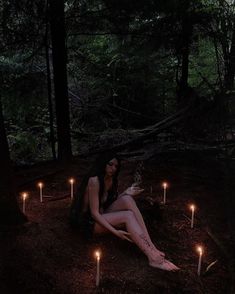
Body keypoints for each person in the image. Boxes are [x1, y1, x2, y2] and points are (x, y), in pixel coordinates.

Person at [70, 152, 179, 271]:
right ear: (103, 163)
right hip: (89, 222)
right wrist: (116, 232)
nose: (113, 169)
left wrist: (126, 192)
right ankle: (152, 258)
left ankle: (152, 246)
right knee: (128, 216)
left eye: (116, 166)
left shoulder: (110, 180)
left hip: (102, 214)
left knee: (127, 199)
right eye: (110, 164)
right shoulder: (94, 181)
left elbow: (109, 203)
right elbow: (94, 214)